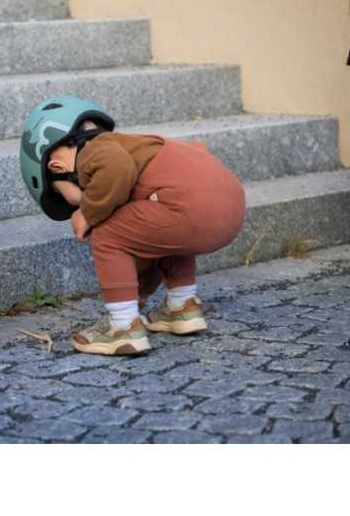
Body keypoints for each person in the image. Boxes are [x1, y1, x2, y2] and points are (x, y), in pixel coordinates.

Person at [20, 96, 245, 355]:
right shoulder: (133, 145)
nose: (75, 201)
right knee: (162, 233)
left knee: (107, 233)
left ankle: (123, 327)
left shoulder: (95, 150)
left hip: (185, 205)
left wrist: (88, 212)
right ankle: (182, 306)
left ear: (57, 167)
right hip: (230, 205)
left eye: (64, 195)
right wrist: (140, 294)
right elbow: (146, 251)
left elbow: (117, 167)